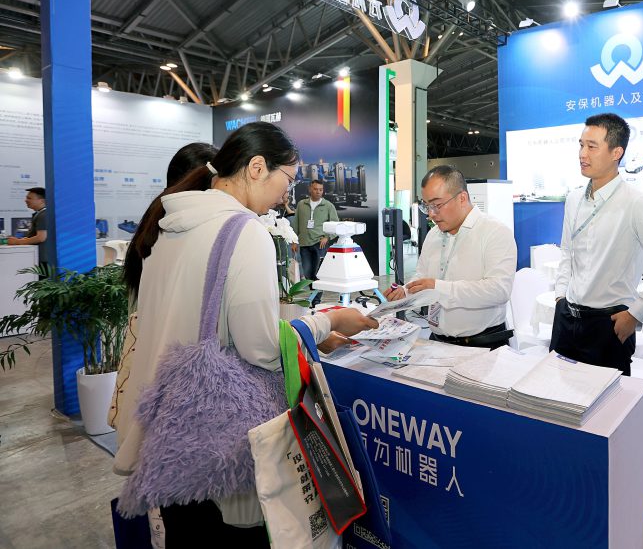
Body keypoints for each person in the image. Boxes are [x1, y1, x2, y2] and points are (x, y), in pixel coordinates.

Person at [114, 122, 377, 544]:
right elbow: (262, 348)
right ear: (257, 168)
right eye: (287, 180)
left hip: (166, 436)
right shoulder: (244, 231)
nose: (286, 195)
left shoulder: (167, 226)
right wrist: (327, 321)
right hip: (218, 446)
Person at [551, 113, 643, 375]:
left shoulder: (637, 203)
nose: (582, 154)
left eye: (592, 146)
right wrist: (560, 296)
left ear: (616, 153)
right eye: (581, 145)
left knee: (607, 401)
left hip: (608, 325)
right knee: (556, 394)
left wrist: (636, 314)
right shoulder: (574, 199)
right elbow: (567, 251)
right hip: (566, 319)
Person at [384, 166, 516, 349]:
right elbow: (422, 277)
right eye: (426, 206)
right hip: (437, 341)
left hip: (483, 344)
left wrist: (438, 287)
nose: (431, 214)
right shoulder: (433, 235)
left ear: (462, 198)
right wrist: (405, 292)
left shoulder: (495, 232)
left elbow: (499, 290)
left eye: (437, 205)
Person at [294, 179, 339, 280]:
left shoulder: (328, 206)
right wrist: (294, 241)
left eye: (320, 189)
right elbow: (296, 223)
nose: (318, 192)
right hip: (304, 243)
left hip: (320, 244)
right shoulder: (301, 204)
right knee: (307, 272)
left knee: (318, 273)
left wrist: (327, 237)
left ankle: (317, 291)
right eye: (315, 189)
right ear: (310, 189)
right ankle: (313, 290)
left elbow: (335, 225)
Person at [7, 188, 48, 265]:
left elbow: (41, 237)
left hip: (43, 260)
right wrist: (25, 239)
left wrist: (17, 242)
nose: (26, 200)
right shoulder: (40, 213)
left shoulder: (43, 215)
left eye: (29, 198)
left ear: (42, 201)